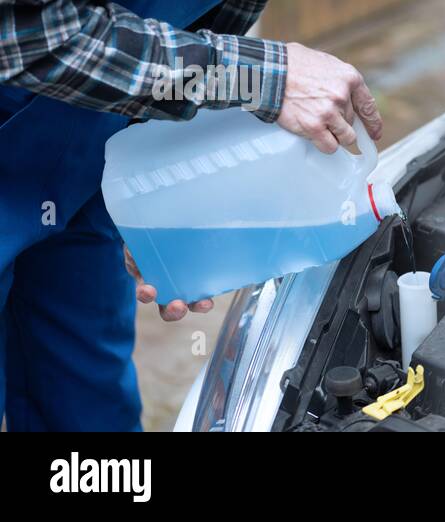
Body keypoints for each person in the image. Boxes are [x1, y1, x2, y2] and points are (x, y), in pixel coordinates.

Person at [0, 0, 383, 431]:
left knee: (86, 399)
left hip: (90, 145)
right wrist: (264, 76)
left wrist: (155, 179)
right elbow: (34, 32)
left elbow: (198, 27)